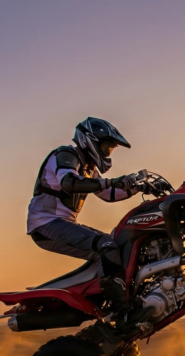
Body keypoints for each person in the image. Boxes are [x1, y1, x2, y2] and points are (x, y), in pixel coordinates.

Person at [27, 117, 145, 315]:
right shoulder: (66, 155)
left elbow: (109, 194)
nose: (108, 153)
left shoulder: (89, 167)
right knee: (106, 247)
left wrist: (139, 188)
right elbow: (69, 182)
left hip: (62, 223)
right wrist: (113, 181)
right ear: (90, 140)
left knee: (118, 244)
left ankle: (124, 299)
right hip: (46, 223)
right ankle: (120, 310)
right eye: (107, 147)